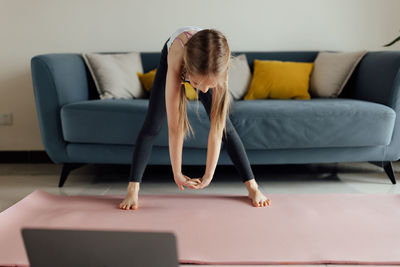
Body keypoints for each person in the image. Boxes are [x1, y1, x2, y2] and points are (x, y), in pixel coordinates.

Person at [119, 26, 271, 210]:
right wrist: (177, 173)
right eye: (198, 84)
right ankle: (132, 189)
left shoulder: (219, 68)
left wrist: (208, 175)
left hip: (206, 68)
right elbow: (175, 126)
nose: (203, 91)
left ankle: (252, 187)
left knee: (225, 128)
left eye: (210, 85)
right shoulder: (176, 57)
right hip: (178, 57)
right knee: (152, 124)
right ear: (188, 72)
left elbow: (216, 128)